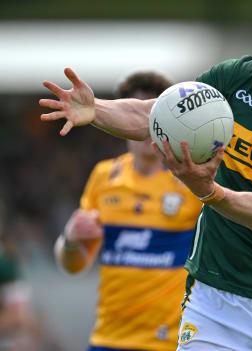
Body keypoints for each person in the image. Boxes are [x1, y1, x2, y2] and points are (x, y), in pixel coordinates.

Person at [41, 1, 252, 350]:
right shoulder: (234, 77)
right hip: (216, 301)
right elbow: (155, 115)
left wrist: (207, 191)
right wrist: (95, 109)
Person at [53, 71, 203, 351]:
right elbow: (73, 266)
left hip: (171, 342)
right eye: (137, 116)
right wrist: (71, 241)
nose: (146, 126)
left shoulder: (189, 180)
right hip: (108, 338)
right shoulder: (103, 177)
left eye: (154, 117)